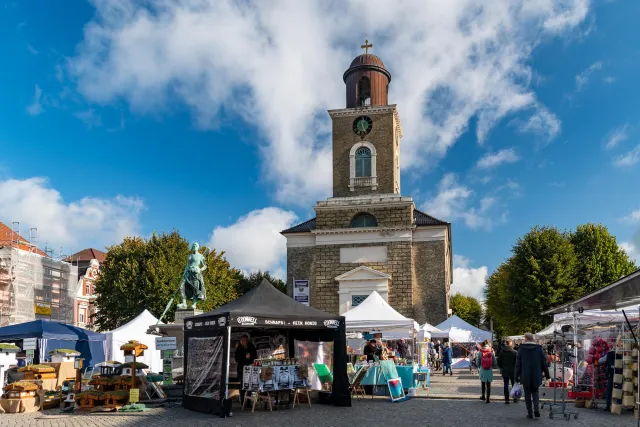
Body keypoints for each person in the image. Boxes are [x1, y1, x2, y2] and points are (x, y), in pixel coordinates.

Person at [516, 333, 551, 419]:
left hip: (525, 375)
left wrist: (516, 376)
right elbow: (544, 363)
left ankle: (530, 412)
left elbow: (518, 365)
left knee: (527, 393)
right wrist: (547, 375)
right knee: (535, 392)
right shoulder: (539, 349)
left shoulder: (521, 349)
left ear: (526, 339)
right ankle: (536, 409)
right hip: (536, 374)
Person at [234, 335, 257, 403]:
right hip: (241, 369)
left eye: (245, 341)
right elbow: (237, 359)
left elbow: (255, 355)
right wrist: (245, 357)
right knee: (242, 386)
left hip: (250, 369)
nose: (244, 342)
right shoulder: (239, 348)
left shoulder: (251, 346)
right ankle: (242, 401)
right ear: (240, 341)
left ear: (247, 341)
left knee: (249, 385)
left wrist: (250, 357)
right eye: (242, 341)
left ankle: (248, 402)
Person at [498, 339, 517, 404]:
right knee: (513, 384)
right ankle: (515, 398)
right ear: (511, 344)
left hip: (505, 370)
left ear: (506, 344)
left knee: (506, 385)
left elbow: (499, 362)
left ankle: (507, 399)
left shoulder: (502, 352)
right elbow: (517, 363)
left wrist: (502, 367)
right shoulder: (514, 352)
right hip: (513, 370)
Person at [598, 347, 615, 412]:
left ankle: (608, 406)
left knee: (609, 390)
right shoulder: (622, 354)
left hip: (610, 375)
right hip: (619, 374)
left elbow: (600, 360)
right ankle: (617, 405)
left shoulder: (609, 354)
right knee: (619, 390)